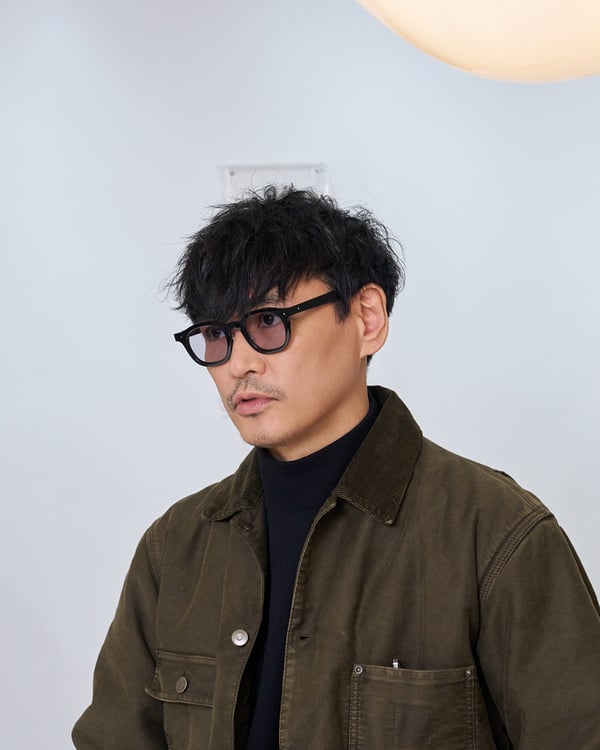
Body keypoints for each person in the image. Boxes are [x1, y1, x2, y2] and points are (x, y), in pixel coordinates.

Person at [73, 187, 600, 750]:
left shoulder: (495, 533)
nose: (239, 364)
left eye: (269, 321)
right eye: (216, 335)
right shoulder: (176, 546)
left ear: (367, 318)